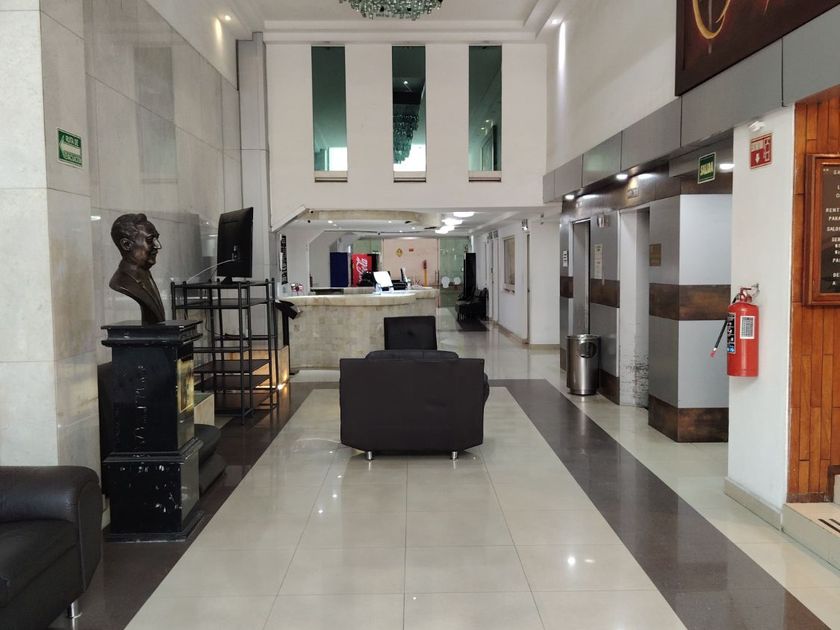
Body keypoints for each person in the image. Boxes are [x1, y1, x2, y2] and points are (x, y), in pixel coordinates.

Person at [108, 213, 166, 325]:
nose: (158, 246)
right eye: (150, 240)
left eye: (156, 239)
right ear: (126, 244)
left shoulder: (146, 274)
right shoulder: (121, 282)